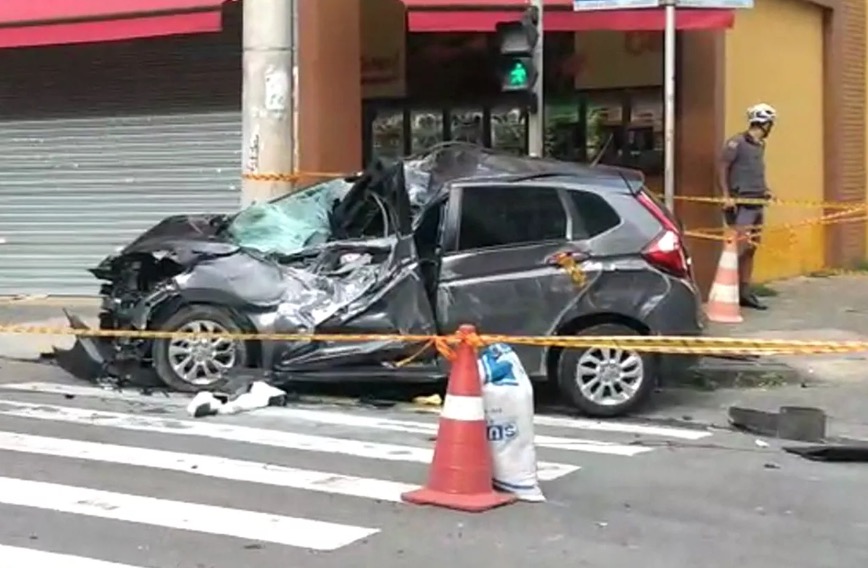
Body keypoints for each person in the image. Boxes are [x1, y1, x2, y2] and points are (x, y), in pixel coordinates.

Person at [717, 103, 777, 311]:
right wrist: (726, 196)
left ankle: (745, 292)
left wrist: (766, 189)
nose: (771, 127)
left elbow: (755, 170)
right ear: (763, 122)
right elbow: (723, 167)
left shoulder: (760, 145)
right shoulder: (736, 143)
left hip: (758, 201)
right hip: (741, 202)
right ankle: (729, 290)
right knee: (739, 247)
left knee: (751, 249)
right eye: (770, 123)